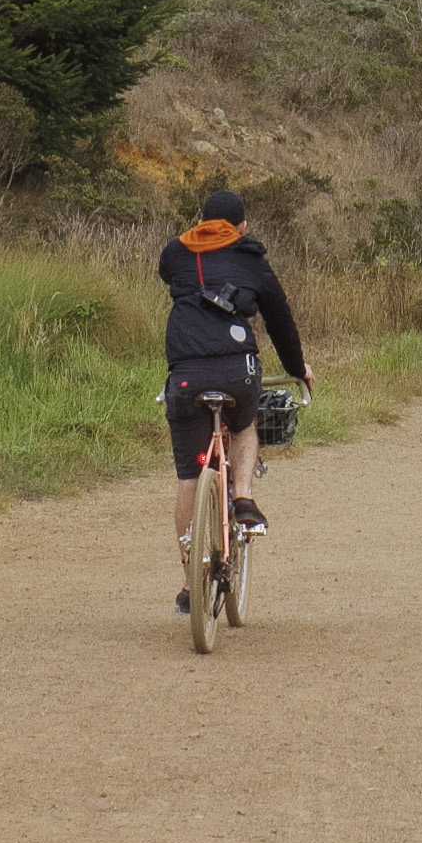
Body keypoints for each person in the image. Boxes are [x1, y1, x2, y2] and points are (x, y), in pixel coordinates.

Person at [158, 182, 307, 600]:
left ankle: (191, 583)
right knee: (244, 425)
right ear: (243, 227)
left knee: (189, 477)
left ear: (201, 222)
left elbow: (169, 273)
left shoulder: (176, 251)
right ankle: (242, 496)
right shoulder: (251, 259)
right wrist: (297, 369)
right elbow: (280, 320)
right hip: (236, 370)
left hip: (185, 370)